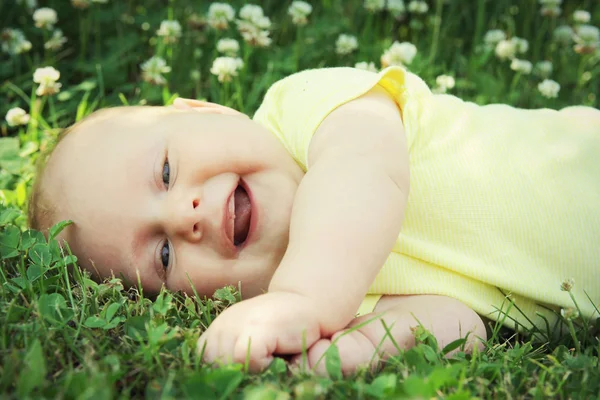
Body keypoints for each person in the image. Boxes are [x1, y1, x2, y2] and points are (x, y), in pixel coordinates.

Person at [28, 66, 600, 376]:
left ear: (209, 111)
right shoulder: (342, 299)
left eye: (167, 170)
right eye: (164, 257)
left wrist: (304, 300)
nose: (184, 217)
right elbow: (460, 326)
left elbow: (367, 169)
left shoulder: (305, 106)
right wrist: (339, 352)